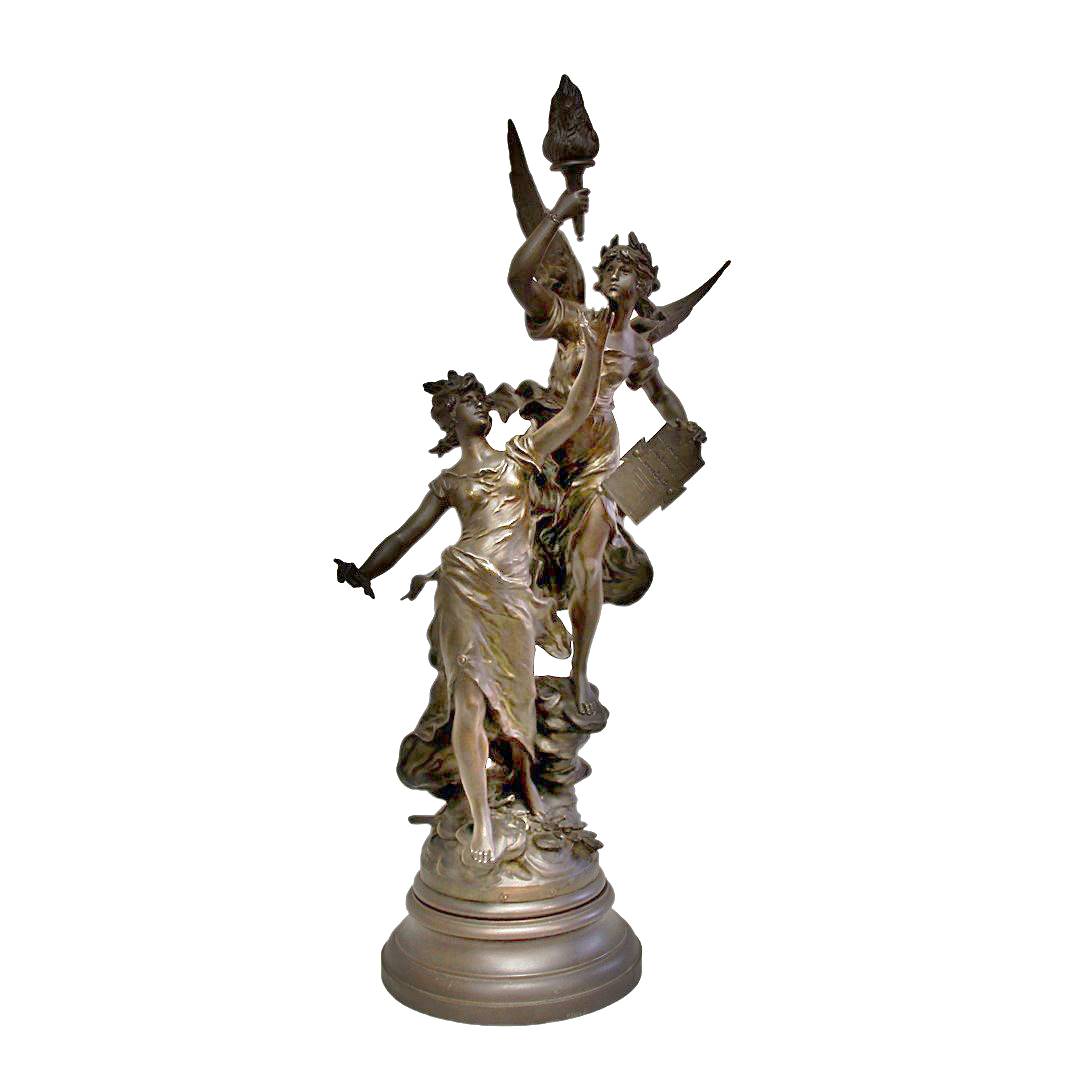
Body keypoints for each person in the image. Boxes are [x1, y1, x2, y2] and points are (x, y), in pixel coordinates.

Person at [335, 312, 611, 863]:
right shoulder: (450, 481)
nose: (481, 404)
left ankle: (525, 787)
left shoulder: (521, 455)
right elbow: (406, 534)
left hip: (513, 598)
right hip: (464, 588)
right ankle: (483, 823)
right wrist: (366, 570)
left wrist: (596, 349)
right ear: (449, 419)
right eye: (467, 401)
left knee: (517, 706)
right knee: (467, 699)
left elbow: (577, 410)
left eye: (481, 397)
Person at [507, 187, 707, 715]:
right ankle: (520, 639)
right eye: (612, 267)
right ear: (599, 279)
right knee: (515, 546)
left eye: (629, 270)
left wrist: (684, 427)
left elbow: (660, 394)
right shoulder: (573, 319)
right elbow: (518, 280)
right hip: (550, 447)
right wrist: (557, 215)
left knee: (587, 557)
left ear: (644, 286)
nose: (618, 275)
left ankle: (578, 673)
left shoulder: (638, 345)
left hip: (599, 456)